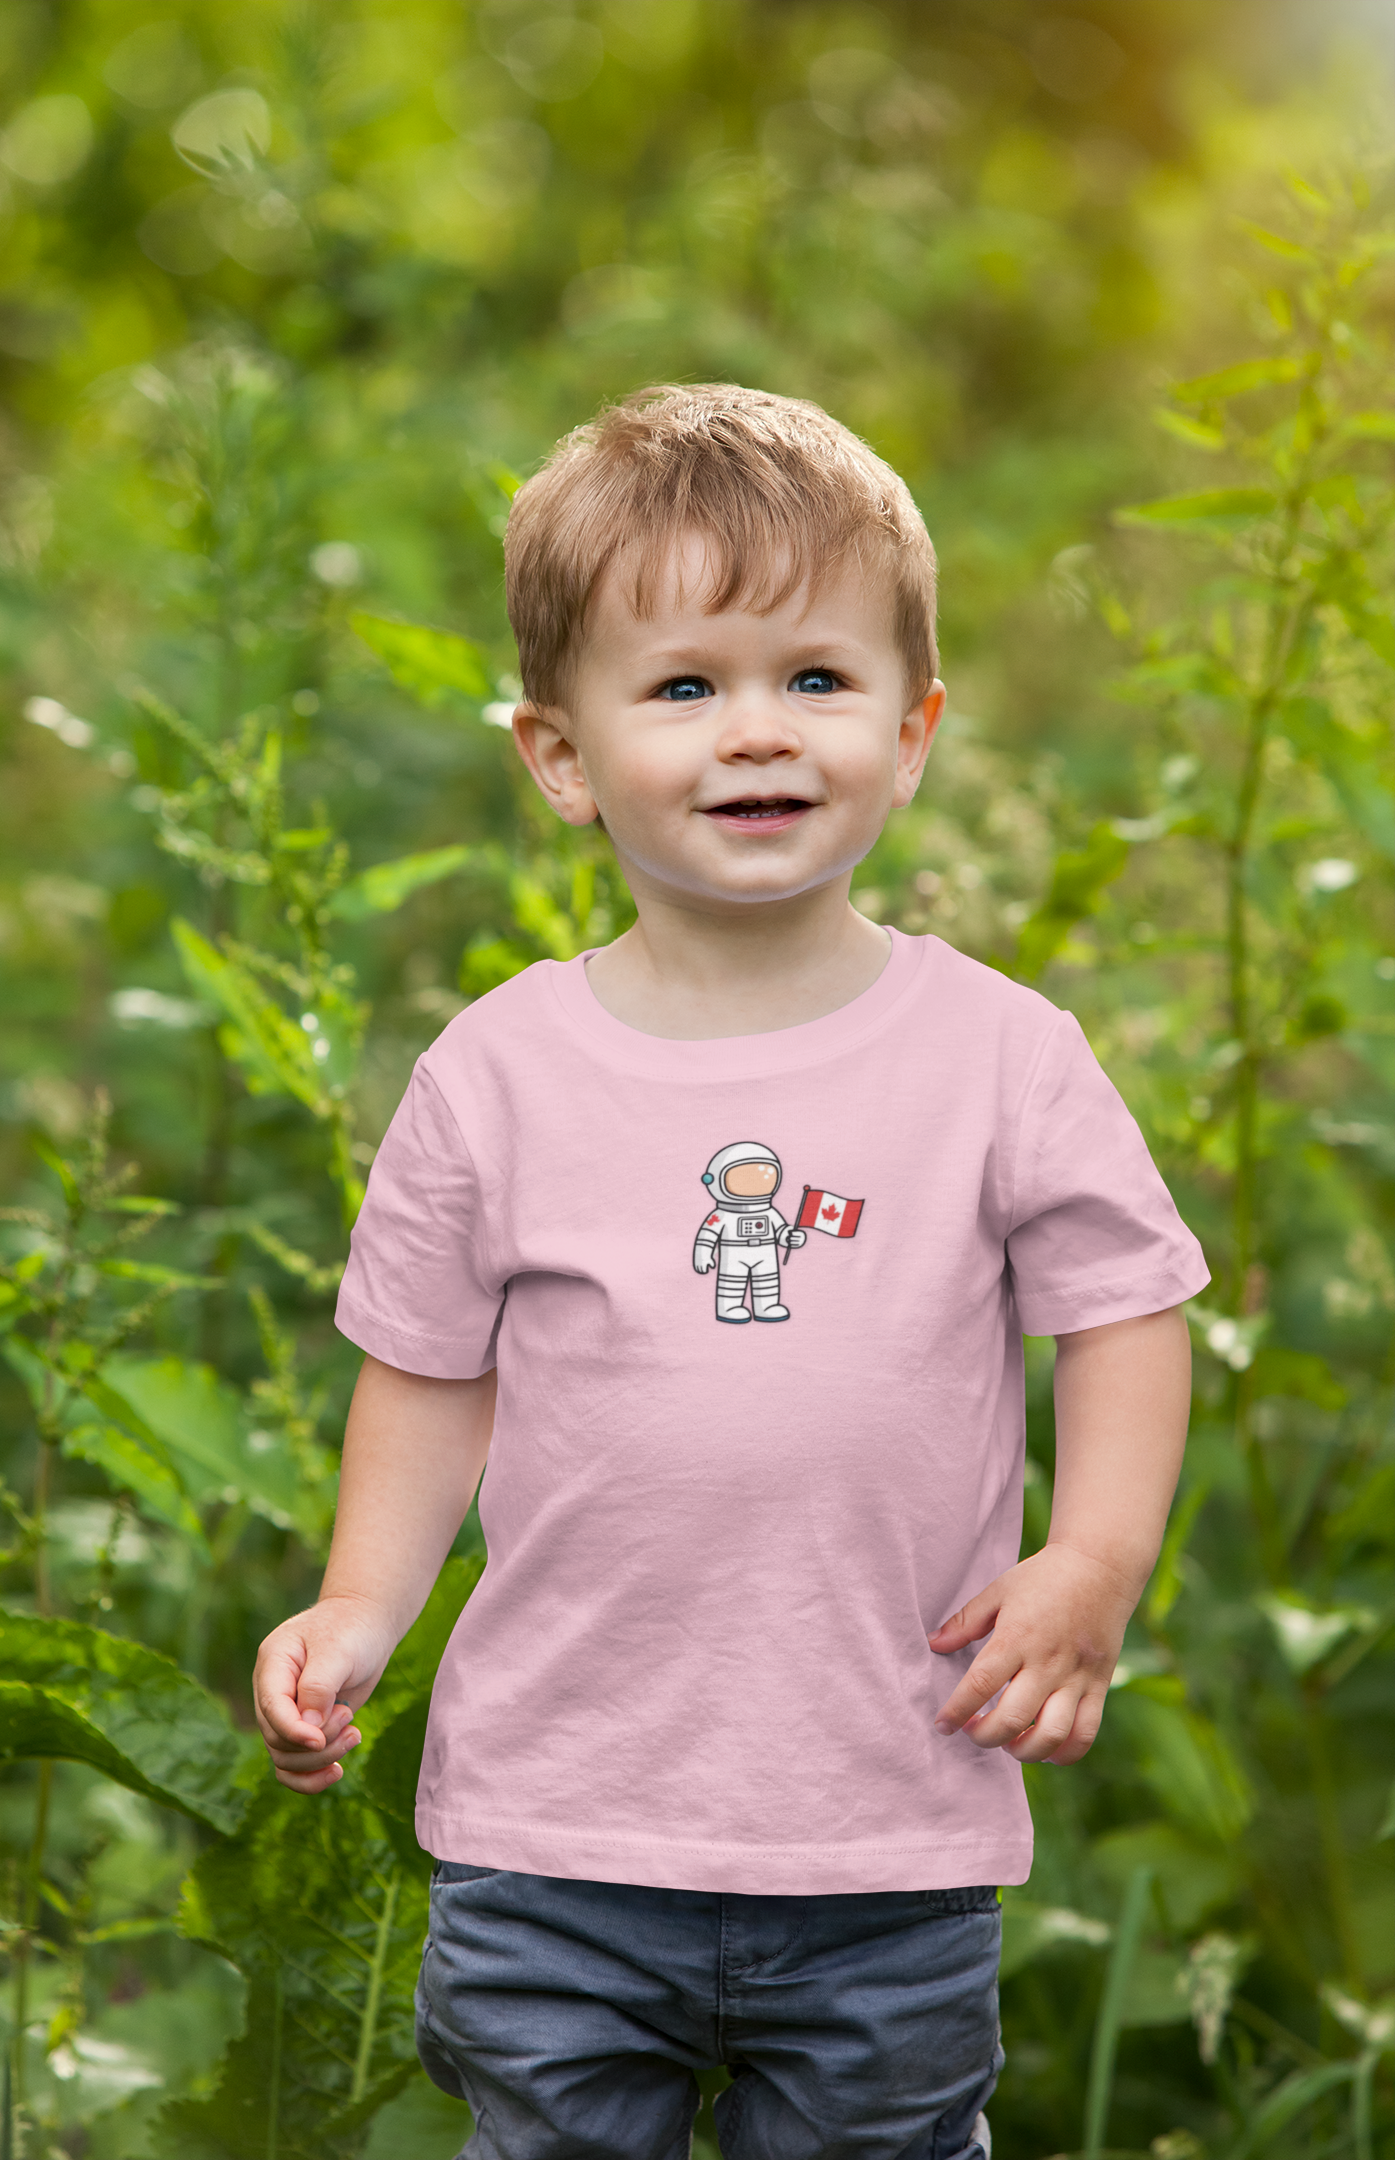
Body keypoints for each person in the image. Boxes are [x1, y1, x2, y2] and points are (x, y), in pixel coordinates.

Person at [253, 384, 1208, 2160]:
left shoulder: (998, 1057)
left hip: (883, 1827)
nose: (755, 732)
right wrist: (363, 1606)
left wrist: (1095, 1560)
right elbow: (431, 1364)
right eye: (685, 686)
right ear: (560, 755)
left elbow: (1122, 1310)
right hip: (556, 1830)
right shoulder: (500, 1072)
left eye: (816, 680)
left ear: (912, 731)